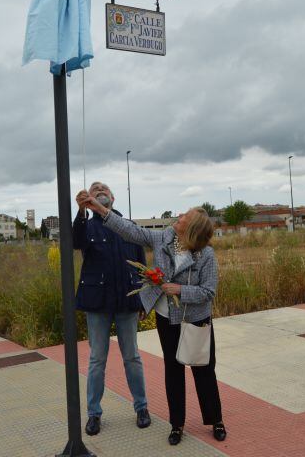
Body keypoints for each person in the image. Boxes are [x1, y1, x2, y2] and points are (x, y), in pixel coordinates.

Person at [78, 191, 226, 446]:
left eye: (184, 217)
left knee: (203, 370)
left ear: (191, 229)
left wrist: (180, 290)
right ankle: (176, 425)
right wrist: (100, 210)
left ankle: (216, 420)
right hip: (167, 318)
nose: (179, 216)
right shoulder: (163, 238)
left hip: (196, 320)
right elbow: (130, 231)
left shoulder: (206, 255)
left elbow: (209, 291)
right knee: (173, 371)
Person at [73, 182, 150, 436]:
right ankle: (93, 414)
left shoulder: (127, 227)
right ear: (89, 199)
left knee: (132, 357)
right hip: (98, 303)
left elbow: (142, 265)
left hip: (127, 301)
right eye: (94, 190)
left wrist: (143, 300)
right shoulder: (87, 225)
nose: (100, 190)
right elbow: (74, 242)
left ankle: (142, 407)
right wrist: (82, 211)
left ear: (113, 197)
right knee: (97, 360)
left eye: (104, 188)